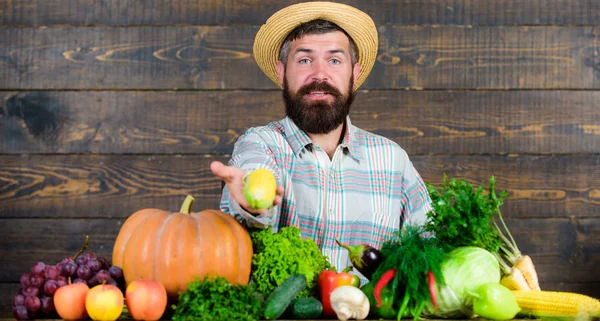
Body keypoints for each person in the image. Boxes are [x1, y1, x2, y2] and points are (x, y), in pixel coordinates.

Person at [210, 2, 432, 278]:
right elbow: (254, 175)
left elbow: (431, 243)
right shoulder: (261, 143)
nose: (319, 75)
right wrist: (251, 204)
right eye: (304, 60)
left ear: (355, 73)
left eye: (335, 60)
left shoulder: (393, 160)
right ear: (282, 73)